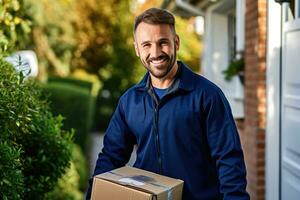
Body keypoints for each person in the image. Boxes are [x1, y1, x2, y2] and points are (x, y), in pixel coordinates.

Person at [86, 7, 249, 200]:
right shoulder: (130, 101)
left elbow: (229, 160)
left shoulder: (207, 96)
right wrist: (93, 195)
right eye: (146, 45)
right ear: (137, 49)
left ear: (176, 42)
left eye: (162, 42)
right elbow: (110, 157)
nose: (155, 53)